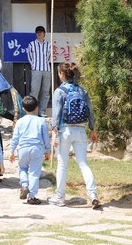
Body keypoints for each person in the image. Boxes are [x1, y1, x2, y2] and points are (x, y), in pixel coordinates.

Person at [47, 62, 101, 210]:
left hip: (65, 131)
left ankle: (59, 197)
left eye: (59, 73)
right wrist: (93, 129)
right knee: (83, 164)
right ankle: (93, 195)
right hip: (81, 130)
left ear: (62, 74)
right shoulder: (82, 90)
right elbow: (90, 111)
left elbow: (56, 114)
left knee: (62, 164)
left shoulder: (60, 91)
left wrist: (53, 132)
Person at [8, 95, 51, 205]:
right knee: (34, 172)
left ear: (23, 108)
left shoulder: (20, 122)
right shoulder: (41, 121)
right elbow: (46, 137)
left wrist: (11, 151)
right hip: (36, 148)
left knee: (22, 168)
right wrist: (47, 151)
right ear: (37, 107)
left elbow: (15, 137)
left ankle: (24, 184)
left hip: (23, 148)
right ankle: (32, 196)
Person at [27, 25, 51, 117]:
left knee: (45, 92)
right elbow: (29, 56)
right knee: (34, 91)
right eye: (37, 32)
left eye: (41, 32)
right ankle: (32, 111)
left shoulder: (48, 45)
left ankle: (42, 111)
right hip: (36, 69)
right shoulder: (32, 44)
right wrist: (33, 65)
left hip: (46, 69)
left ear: (44, 34)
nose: (39, 34)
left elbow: (49, 57)